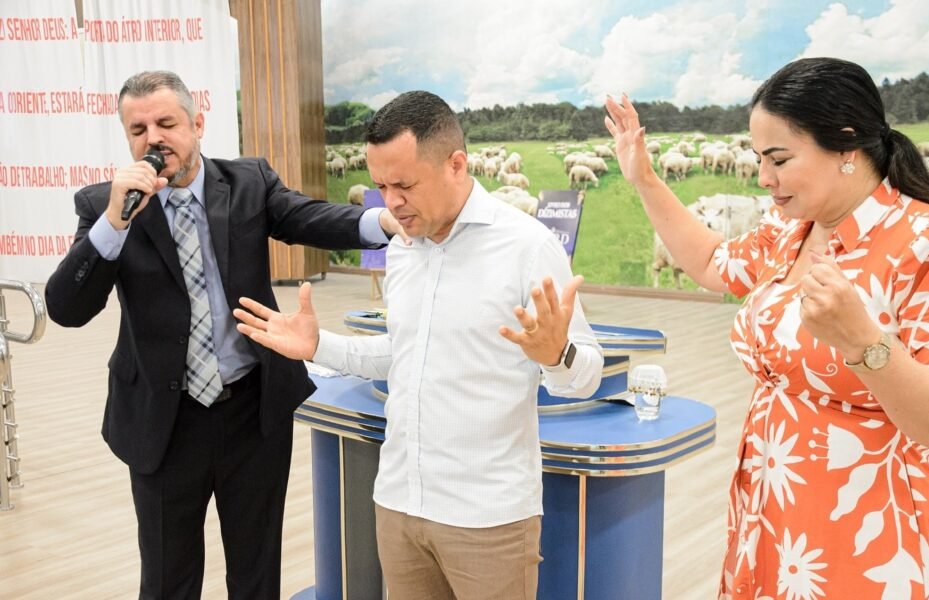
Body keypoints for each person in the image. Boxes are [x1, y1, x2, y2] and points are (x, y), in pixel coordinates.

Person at [605, 57, 929, 598]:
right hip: (773, 512)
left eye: (779, 159)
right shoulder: (789, 231)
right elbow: (713, 263)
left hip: (874, 532)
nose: (763, 178)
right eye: (758, 160)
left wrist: (864, 342)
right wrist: (644, 177)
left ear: (845, 146)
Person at [44, 70, 406, 599]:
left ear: (197, 124)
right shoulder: (105, 206)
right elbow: (66, 308)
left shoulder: (247, 183)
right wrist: (114, 224)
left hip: (251, 415)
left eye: (166, 123)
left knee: (256, 573)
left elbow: (310, 218)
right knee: (168, 580)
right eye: (138, 130)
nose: (153, 139)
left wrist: (386, 223)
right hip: (163, 423)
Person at [233, 90, 604, 600]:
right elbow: (406, 354)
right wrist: (320, 346)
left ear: (457, 165)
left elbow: (585, 376)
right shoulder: (403, 248)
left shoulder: (527, 245)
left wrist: (557, 357)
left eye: (405, 185)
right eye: (381, 186)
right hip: (399, 504)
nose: (391, 203)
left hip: (487, 519)